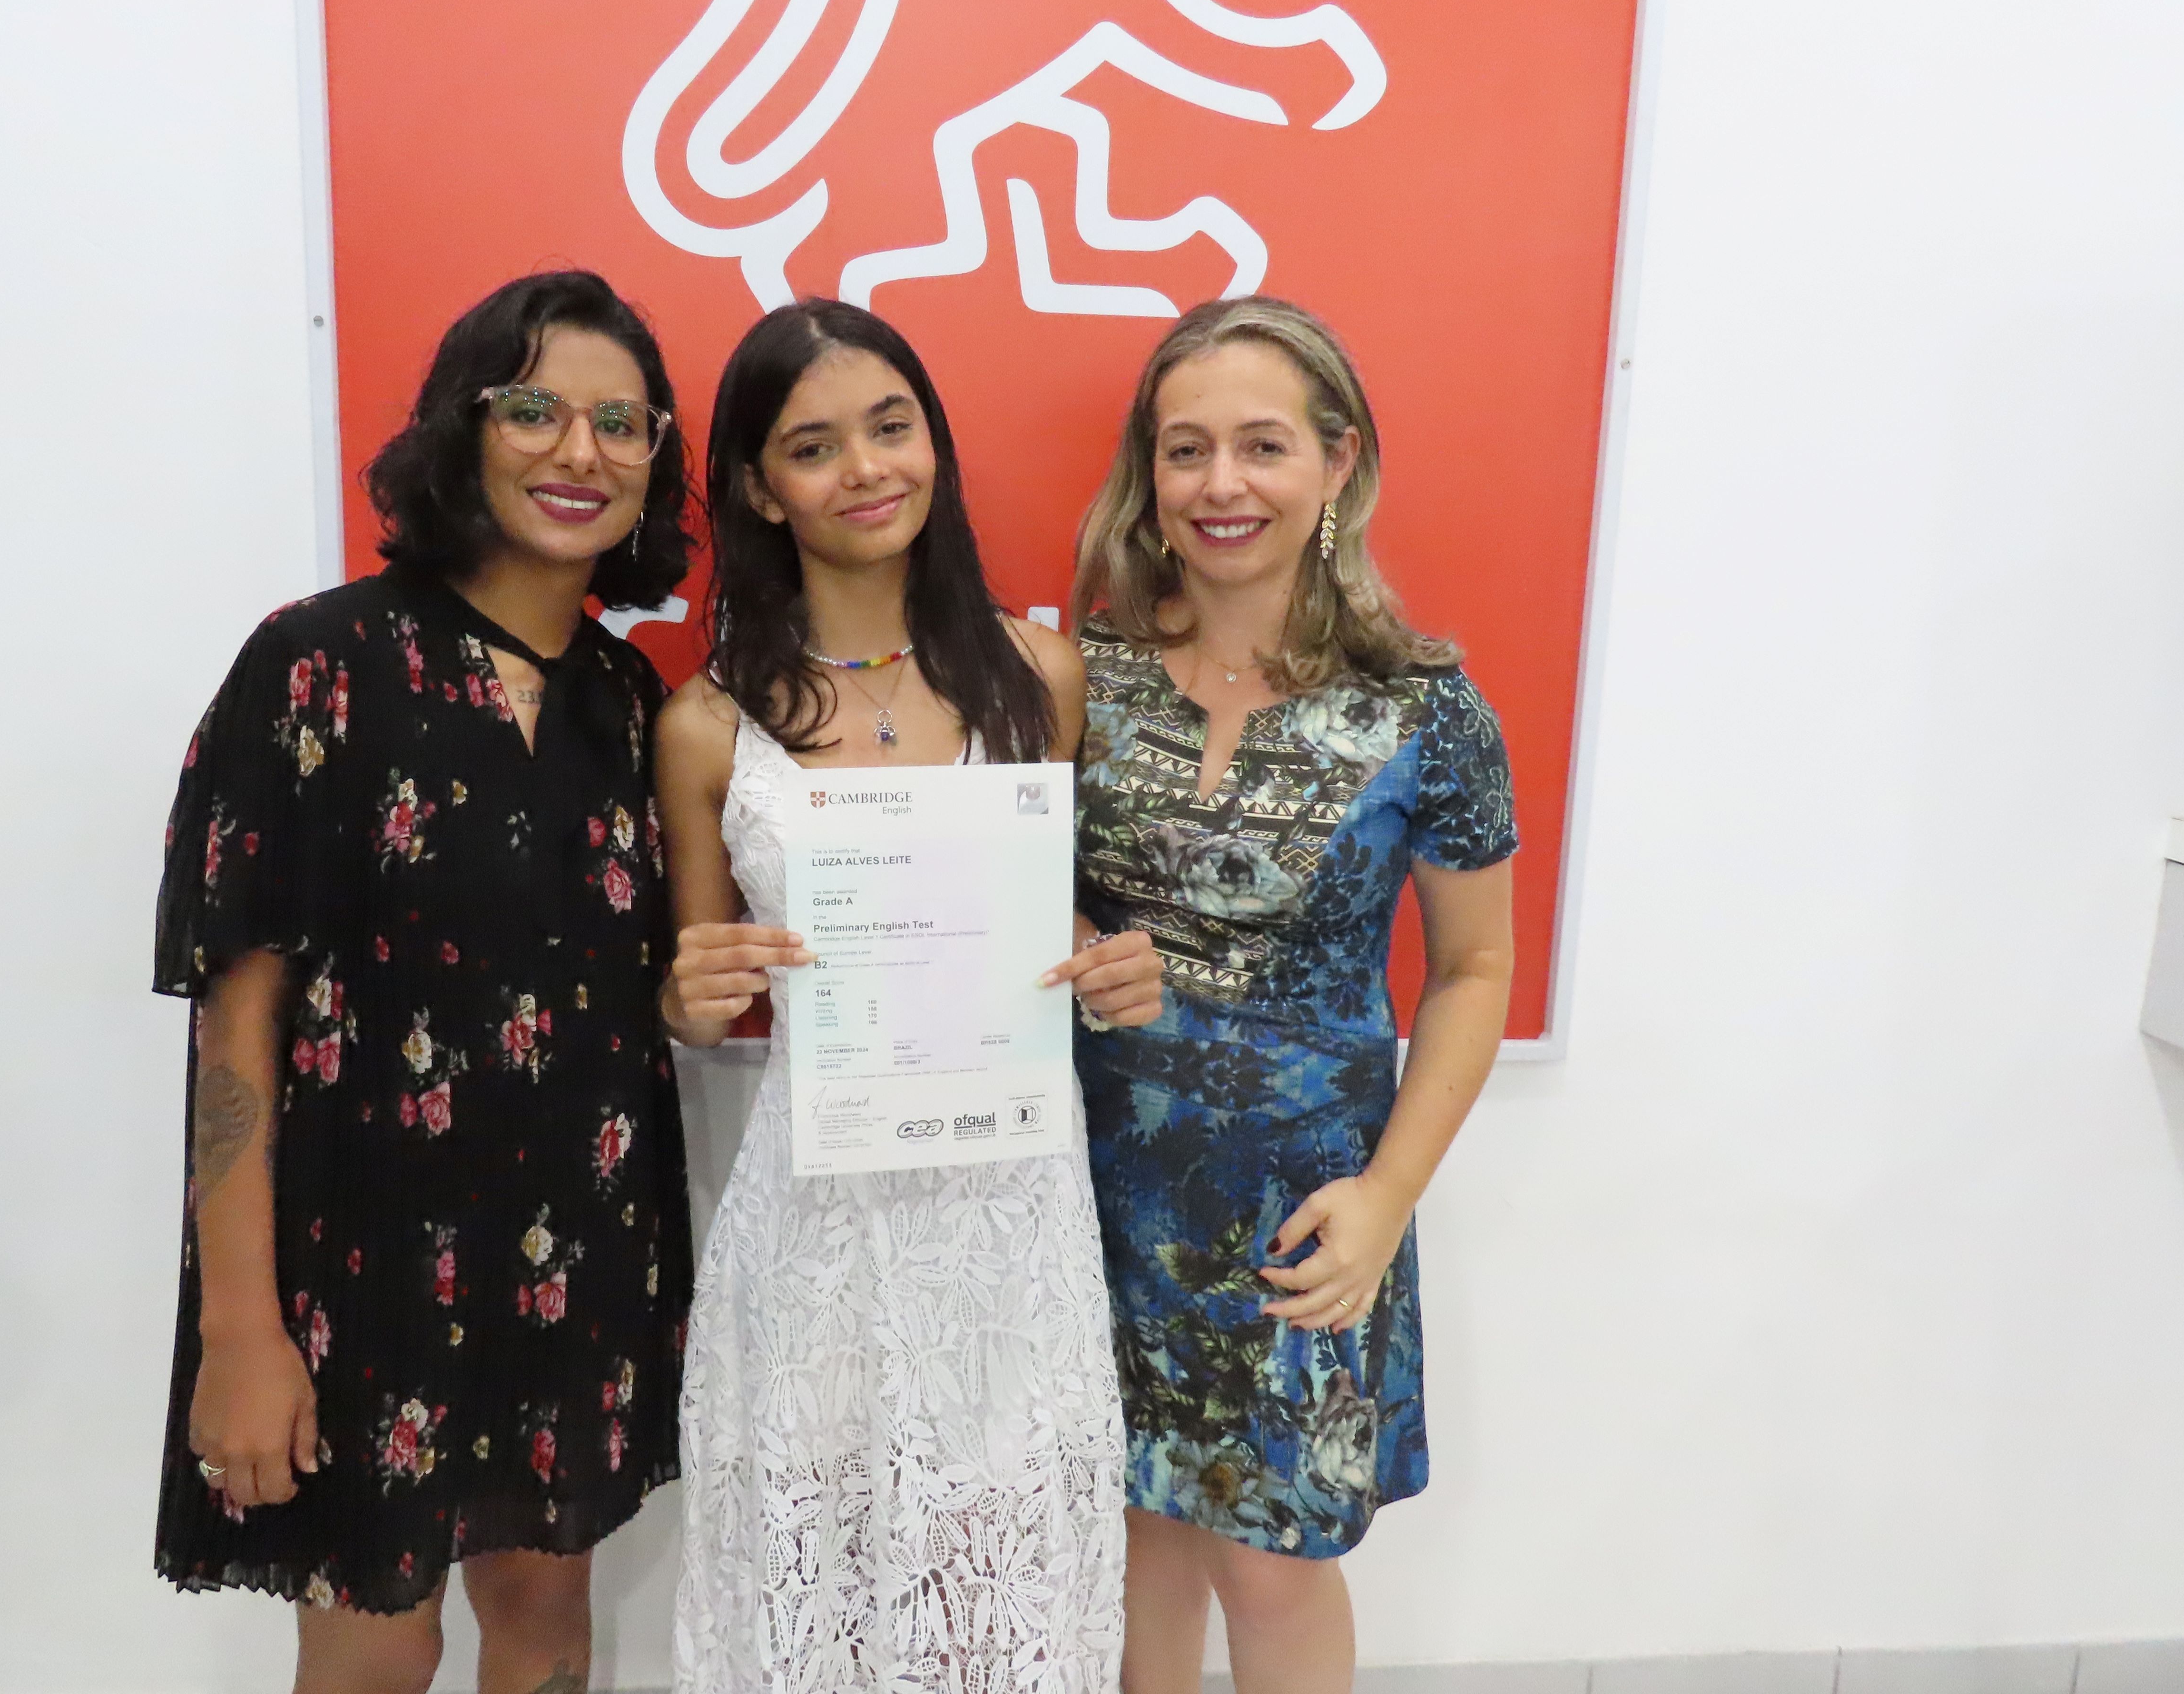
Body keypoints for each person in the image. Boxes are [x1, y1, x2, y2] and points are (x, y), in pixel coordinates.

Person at [151, 271, 695, 1694]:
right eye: (536, 410)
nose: (581, 452)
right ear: (464, 427)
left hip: (583, 1251)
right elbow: (238, 1021)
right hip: (360, 1263)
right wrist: (240, 1329)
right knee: (374, 1657)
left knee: (547, 1635)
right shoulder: (318, 663)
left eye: (621, 424)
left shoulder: (632, 705)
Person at [654, 299, 1164, 1692]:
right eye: (814, 446)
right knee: (816, 1592)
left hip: (1009, 1214)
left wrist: (1111, 966)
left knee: (1004, 1600)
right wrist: (690, 992)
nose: (868, 468)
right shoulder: (707, 725)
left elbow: (1044, 921)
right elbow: (702, 1003)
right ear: (762, 488)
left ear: (934, 440)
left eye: (892, 427)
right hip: (817, 1216)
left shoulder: (1040, 674)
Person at [1066, 297, 1518, 1694]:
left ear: (1337, 461)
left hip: (1301, 1209)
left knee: (1270, 1566)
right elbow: (1001, 886)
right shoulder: (1077, 678)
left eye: (1262, 445)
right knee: (1131, 1533)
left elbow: (1475, 970)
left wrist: (1387, 1198)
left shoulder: (1429, 711)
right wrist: (1076, 941)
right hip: (1089, 1184)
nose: (1222, 484)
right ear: (1149, 474)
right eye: (1185, 448)